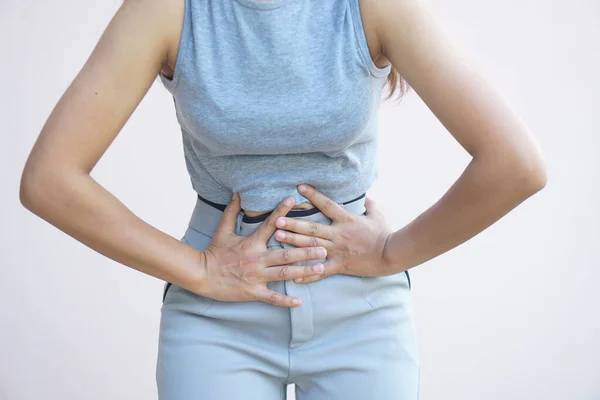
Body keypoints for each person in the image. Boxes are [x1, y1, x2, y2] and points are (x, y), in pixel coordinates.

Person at [19, 0, 548, 398]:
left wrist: (392, 253)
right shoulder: (168, 8)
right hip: (217, 315)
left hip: (359, 308)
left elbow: (515, 165)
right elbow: (50, 179)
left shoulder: (372, 6)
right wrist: (201, 270)